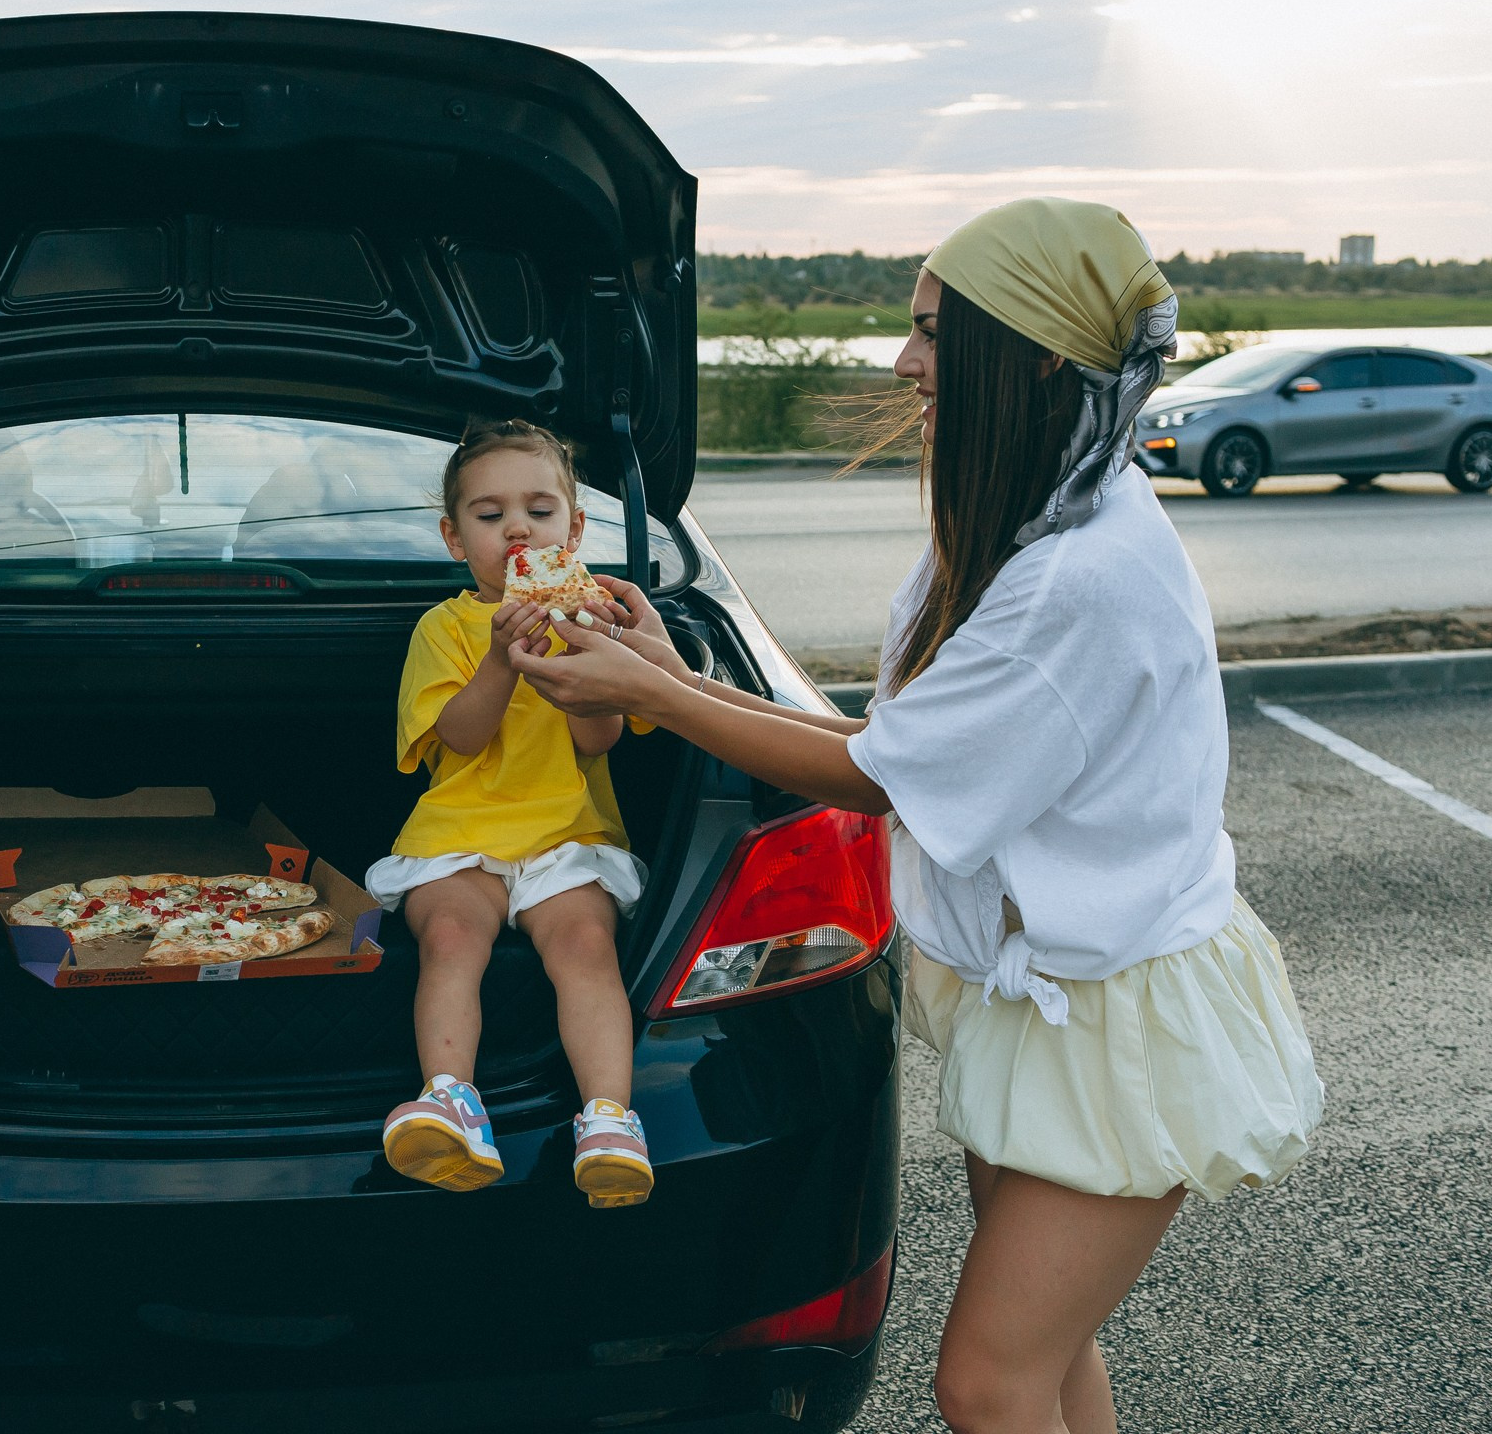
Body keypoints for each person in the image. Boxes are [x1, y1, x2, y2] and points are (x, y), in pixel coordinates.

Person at [507, 198, 1322, 1433]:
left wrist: (653, 696)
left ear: (1032, 354)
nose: (903, 362)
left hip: (1120, 1015)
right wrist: (669, 674)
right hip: (1056, 994)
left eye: (935, 332)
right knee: (1047, 1360)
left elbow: (881, 777)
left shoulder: (1072, 578)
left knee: (989, 1382)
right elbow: (902, 743)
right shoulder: (1039, 516)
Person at [365, 420, 655, 1209]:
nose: (518, 530)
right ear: (455, 539)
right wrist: (502, 657)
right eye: (490, 517)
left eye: (540, 511)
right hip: (460, 834)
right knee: (450, 937)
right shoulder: (445, 627)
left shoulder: (596, 621)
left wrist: (580, 646)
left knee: (586, 945)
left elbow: (599, 740)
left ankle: (609, 1118)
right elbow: (460, 736)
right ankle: (450, 1098)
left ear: (576, 530)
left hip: (567, 835)